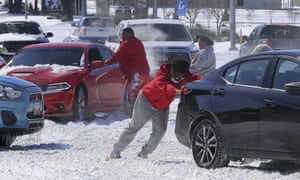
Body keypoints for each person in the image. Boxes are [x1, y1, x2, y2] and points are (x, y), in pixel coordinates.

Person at [110, 58, 203, 159]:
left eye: (181, 77)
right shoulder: (162, 74)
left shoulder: (185, 74)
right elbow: (163, 86)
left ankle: (144, 153)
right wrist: (176, 91)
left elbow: (197, 78)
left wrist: (206, 81)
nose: (179, 79)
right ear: (172, 70)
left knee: (160, 131)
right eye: (177, 76)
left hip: (162, 106)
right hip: (146, 100)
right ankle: (116, 151)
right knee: (134, 126)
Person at [105, 27, 150, 114]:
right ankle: (144, 112)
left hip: (136, 72)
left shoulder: (127, 44)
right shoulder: (138, 42)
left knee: (133, 94)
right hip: (145, 71)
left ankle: (135, 114)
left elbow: (117, 56)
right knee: (142, 94)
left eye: (123, 34)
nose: (122, 36)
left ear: (129, 34)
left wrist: (107, 63)